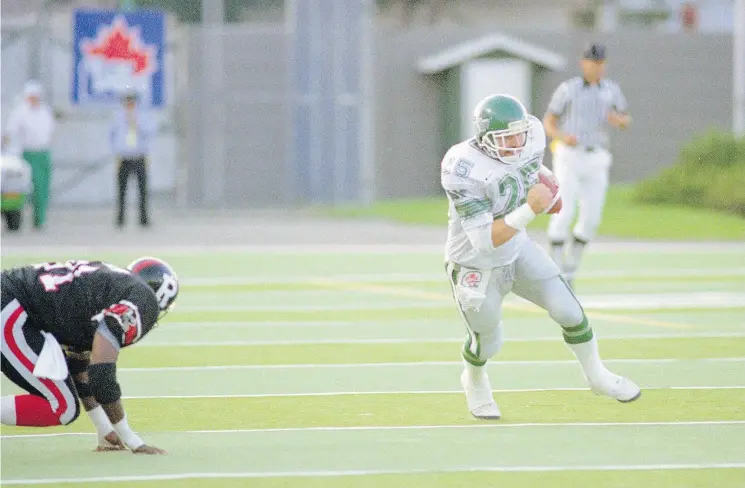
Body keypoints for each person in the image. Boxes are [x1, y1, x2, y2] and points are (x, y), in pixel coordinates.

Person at [441, 93, 640, 420]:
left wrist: (547, 186)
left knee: (569, 309)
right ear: (485, 140)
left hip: (517, 249)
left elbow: (529, 168)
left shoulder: (531, 134)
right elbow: (484, 240)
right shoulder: (463, 167)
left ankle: (597, 375)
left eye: (519, 134)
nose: (517, 142)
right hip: (474, 264)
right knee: (487, 343)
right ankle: (474, 379)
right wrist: (531, 207)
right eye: (507, 138)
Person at [0, 257, 179, 453]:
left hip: (13, 303)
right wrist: (132, 439)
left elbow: (80, 367)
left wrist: (104, 429)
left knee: (64, 400)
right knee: (61, 407)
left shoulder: (108, 286)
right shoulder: (143, 300)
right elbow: (101, 373)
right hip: (10, 307)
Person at [543, 43, 631, 288]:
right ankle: (555, 269)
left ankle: (571, 268)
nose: (598, 67)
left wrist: (619, 121)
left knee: (591, 217)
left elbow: (625, 118)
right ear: (584, 63)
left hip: (597, 155)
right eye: (594, 63)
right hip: (570, 155)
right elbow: (549, 121)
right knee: (565, 210)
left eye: (602, 63)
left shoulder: (611, 90)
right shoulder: (568, 90)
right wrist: (561, 136)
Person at [4, 81, 56, 230]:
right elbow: (10, 132)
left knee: (42, 188)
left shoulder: (44, 111)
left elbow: (50, 131)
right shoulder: (20, 112)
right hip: (27, 153)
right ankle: (14, 218)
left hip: (43, 153)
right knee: (22, 187)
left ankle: (40, 220)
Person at [109, 88, 157, 228]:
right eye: (127, 101)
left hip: (139, 155)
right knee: (121, 189)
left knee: (142, 189)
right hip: (123, 156)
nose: (129, 104)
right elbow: (112, 135)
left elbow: (150, 133)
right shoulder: (117, 116)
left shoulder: (143, 116)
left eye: (132, 101)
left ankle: (143, 217)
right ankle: (120, 217)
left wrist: (135, 122)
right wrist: (115, 151)